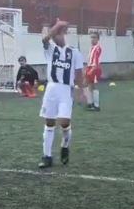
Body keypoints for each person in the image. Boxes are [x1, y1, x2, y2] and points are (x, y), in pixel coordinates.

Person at [39, 19, 84, 169]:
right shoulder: (50, 49)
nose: (54, 37)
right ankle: (47, 157)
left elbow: (78, 73)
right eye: (54, 34)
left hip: (66, 89)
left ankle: (65, 145)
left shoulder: (74, 52)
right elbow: (45, 39)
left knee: (64, 122)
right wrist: (57, 26)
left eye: (58, 34)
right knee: (49, 122)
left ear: (63, 35)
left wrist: (80, 91)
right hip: (51, 88)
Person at [84, 32, 102, 111]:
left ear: (98, 39)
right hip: (90, 67)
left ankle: (96, 106)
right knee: (88, 85)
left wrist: (93, 69)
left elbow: (96, 59)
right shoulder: (92, 48)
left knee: (94, 86)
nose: (92, 39)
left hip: (95, 68)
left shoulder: (97, 48)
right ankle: (90, 103)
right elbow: (90, 59)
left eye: (94, 37)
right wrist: (86, 68)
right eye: (91, 37)